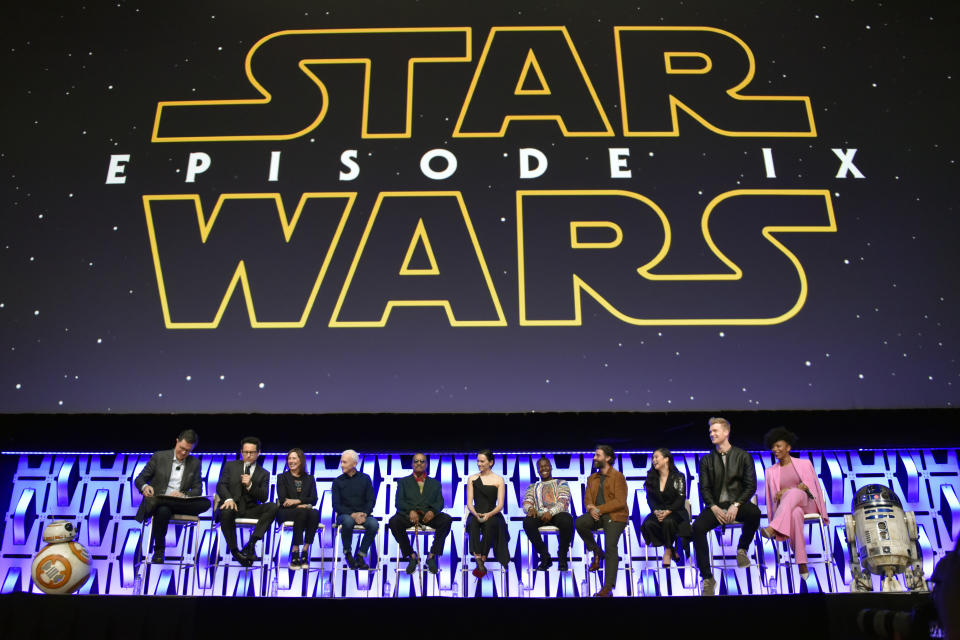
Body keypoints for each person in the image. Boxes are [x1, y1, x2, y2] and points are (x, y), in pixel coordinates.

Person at [692, 417, 762, 596]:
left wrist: (736, 504)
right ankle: (707, 578)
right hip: (716, 506)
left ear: (726, 432)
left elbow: (751, 485)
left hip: (736, 504)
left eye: (715, 431)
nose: (712, 434)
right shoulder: (707, 460)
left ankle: (742, 549)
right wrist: (713, 507)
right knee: (698, 528)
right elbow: (704, 488)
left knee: (755, 513)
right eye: (710, 432)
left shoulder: (742, 456)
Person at [759, 427, 829, 581]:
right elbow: (774, 499)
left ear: (788, 447)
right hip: (790, 509)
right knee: (796, 513)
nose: (775, 450)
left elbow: (811, 488)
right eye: (773, 447)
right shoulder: (770, 471)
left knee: (793, 493)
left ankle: (773, 528)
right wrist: (786, 492)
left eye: (778, 446)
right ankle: (802, 561)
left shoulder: (805, 464)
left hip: (808, 502)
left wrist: (788, 490)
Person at [134, 429, 211, 563]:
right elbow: (139, 479)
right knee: (163, 510)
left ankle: (160, 502)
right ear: (177, 441)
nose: (183, 452)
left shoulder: (195, 463)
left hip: (180, 504)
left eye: (188, 450)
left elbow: (198, 490)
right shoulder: (159, 457)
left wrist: (183, 495)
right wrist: (145, 487)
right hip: (162, 505)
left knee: (206, 503)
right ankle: (159, 551)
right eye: (182, 448)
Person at [575, 445, 630, 597]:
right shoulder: (592, 478)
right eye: (595, 455)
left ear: (608, 458)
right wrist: (590, 508)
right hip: (597, 515)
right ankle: (597, 552)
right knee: (580, 523)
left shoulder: (618, 476)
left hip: (615, 516)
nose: (594, 458)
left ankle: (607, 587)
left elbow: (620, 501)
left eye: (598, 455)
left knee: (611, 545)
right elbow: (588, 498)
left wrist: (598, 509)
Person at [216, 436, 278, 568]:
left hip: (250, 509)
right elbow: (221, 485)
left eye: (252, 452)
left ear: (258, 453)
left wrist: (250, 485)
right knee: (226, 511)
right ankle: (235, 551)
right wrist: (228, 498)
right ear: (241, 451)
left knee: (272, 507)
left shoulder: (264, 473)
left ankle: (251, 543)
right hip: (232, 507)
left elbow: (264, 497)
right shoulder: (231, 466)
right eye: (245, 452)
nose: (248, 455)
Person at [387, 453, 453, 575]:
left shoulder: (435, 483)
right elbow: (399, 502)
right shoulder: (403, 482)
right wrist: (410, 511)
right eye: (416, 461)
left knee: (446, 519)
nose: (419, 463)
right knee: (394, 522)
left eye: (422, 461)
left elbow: (440, 502)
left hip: (428, 516)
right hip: (409, 516)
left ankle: (431, 556)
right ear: (412, 464)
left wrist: (433, 511)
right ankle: (412, 556)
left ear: (426, 464)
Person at [640, 447, 692, 568]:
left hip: (676, 510)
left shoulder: (678, 476)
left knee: (668, 521)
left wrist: (668, 511)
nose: (654, 460)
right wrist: (656, 511)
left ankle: (668, 551)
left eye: (656, 457)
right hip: (659, 511)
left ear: (666, 459)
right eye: (653, 458)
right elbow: (650, 498)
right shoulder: (651, 477)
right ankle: (671, 548)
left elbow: (680, 499)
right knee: (648, 525)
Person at [522, 456, 573, 572]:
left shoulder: (561, 483)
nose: (543, 468)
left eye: (546, 466)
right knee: (527, 522)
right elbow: (526, 502)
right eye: (540, 467)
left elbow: (563, 502)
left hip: (558, 514)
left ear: (551, 467)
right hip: (539, 515)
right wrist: (530, 508)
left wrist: (551, 512)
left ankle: (562, 557)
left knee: (567, 520)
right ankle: (545, 557)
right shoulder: (533, 486)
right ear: (537, 470)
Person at [465, 449, 510, 578]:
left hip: (493, 513)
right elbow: (469, 503)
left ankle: (482, 559)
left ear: (490, 462)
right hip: (475, 512)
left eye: (482, 461)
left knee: (490, 524)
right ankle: (478, 557)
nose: (479, 464)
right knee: (473, 524)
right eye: (478, 461)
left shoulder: (499, 480)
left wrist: (489, 514)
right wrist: (475, 513)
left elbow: (500, 505)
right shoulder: (472, 479)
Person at [332, 449, 379, 569]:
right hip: (345, 515)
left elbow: (371, 500)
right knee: (348, 521)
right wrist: (352, 514)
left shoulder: (365, 478)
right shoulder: (337, 481)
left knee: (374, 524)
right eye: (341, 462)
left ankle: (360, 556)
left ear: (354, 464)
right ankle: (348, 553)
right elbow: (336, 505)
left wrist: (364, 514)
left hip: (363, 515)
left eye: (345, 462)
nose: (341, 465)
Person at [275, 448, 320, 570]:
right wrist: (304, 504)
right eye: (289, 458)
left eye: (294, 458)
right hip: (285, 513)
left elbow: (314, 499)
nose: (291, 461)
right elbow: (283, 499)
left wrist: (297, 501)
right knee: (302, 511)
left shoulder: (309, 479)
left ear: (301, 460)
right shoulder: (282, 477)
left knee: (315, 513)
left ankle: (305, 550)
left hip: (303, 512)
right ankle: (295, 551)